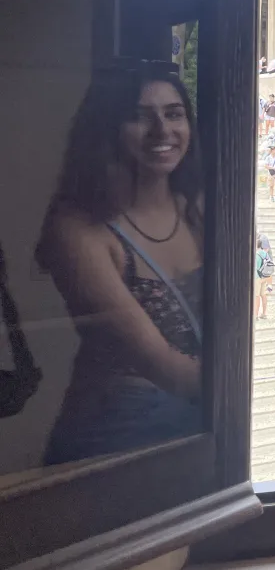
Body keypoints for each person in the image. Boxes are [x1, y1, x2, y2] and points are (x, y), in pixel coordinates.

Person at [35, 65, 205, 463]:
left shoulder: (197, 209)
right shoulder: (80, 231)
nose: (162, 131)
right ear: (106, 129)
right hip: (117, 435)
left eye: (174, 113)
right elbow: (162, 366)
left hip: (200, 425)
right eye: (141, 116)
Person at [254, 232, 274, 320]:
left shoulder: (256, 254)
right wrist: (270, 283)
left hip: (257, 277)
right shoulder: (265, 254)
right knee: (263, 295)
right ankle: (264, 313)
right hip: (264, 277)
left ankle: (256, 315)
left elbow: (255, 267)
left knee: (256, 296)